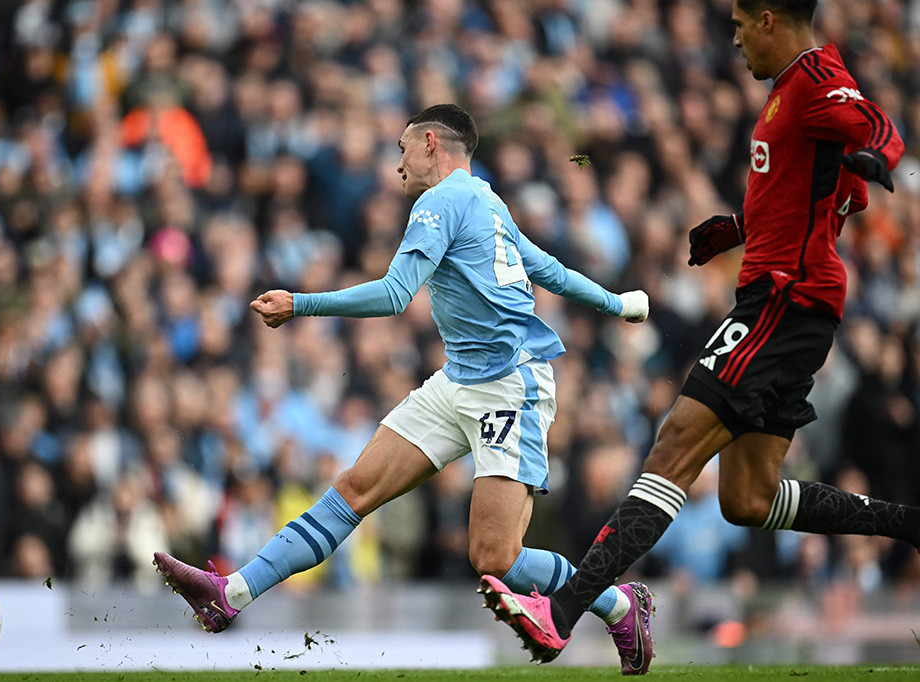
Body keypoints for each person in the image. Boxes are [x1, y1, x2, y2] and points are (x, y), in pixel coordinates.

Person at [476, 0, 915, 669]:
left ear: (770, 18)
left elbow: (877, 124)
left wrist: (881, 154)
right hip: (791, 299)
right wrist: (739, 228)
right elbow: (816, 191)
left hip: (783, 300)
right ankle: (906, 523)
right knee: (748, 498)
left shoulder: (817, 80)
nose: (734, 42)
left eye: (740, 27)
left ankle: (563, 612)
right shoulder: (788, 91)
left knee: (677, 440)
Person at [152, 103, 654, 672]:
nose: (399, 163)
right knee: (355, 487)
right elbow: (550, 271)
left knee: (495, 557)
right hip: (458, 379)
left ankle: (616, 603)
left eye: (403, 148)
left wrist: (301, 303)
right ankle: (232, 594)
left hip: (509, 387)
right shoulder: (489, 202)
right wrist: (617, 303)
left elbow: (396, 295)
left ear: (432, 143)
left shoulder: (440, 201)